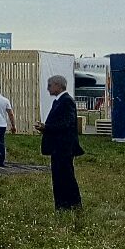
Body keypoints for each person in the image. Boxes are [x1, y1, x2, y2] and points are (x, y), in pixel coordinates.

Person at [35, 75, 83, 210]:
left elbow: (66, 123)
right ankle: (63, 204)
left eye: (50, 85)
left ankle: (71, 204)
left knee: (65, 176)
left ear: (58, 85)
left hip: (64, 146)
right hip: (58, 146)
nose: (48, 88)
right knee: (59, 176)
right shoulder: (59, 101)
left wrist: (47, 127)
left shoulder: (66, 101)